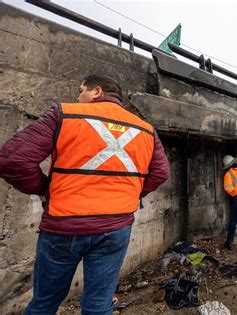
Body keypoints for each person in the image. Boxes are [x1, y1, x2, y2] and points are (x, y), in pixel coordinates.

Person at [0, 75, 170, 314]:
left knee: (44, 303)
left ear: (96, 91)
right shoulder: (146, 130)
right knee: (99, 304)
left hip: (63, 226)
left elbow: (12, 159)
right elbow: (161, 172)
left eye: (81, 91)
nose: (77, 97)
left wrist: (43, 189)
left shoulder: (65, 114)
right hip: (116, 227)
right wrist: (133, 193)